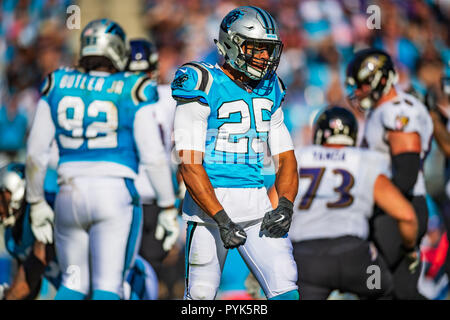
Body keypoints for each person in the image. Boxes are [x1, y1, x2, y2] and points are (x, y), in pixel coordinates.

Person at [25, 19, 178, 300]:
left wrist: (35, 201)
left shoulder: (57, 82)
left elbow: (35, 152)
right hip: (114, 192)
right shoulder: (134, 87)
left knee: (72, 283)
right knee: (109, 287)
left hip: (68, 191)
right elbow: (153, 156)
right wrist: (168, 205)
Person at [172, 6, 299, 300]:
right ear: (231, 44)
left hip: (256, 205)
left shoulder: (271, 88)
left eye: (268, 50)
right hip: (208, 209)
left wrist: (285, 205)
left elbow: (287, 159)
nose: (265, 58)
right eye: (256, 49)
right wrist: (221, 219)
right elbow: (188, 163)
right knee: (201, 299)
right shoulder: (202, 81)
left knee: (286, 287)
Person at [290, 106, 419, 300]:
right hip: (355, 258)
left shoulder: (298, 158)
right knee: (381, 289)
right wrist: (409, 249)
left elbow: (269, 210)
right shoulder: (364, 160)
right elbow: (407, 215)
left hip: (307, 262)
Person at [346, 48, 433, 299]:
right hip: (397, 207)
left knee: (377, 287)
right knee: (401, 289)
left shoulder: (398, 110)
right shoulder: (381, 110)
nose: (358, 92)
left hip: (399, 208)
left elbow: (405, 173)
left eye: (362, 85)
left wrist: (375, 206)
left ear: (381, 79)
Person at [0, 163, 60, 300]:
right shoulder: (12, 237)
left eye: (2, 197)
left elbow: (38, 261)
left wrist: (9, 296)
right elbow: (29, 284)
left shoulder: (38, 213)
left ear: (17, 191)